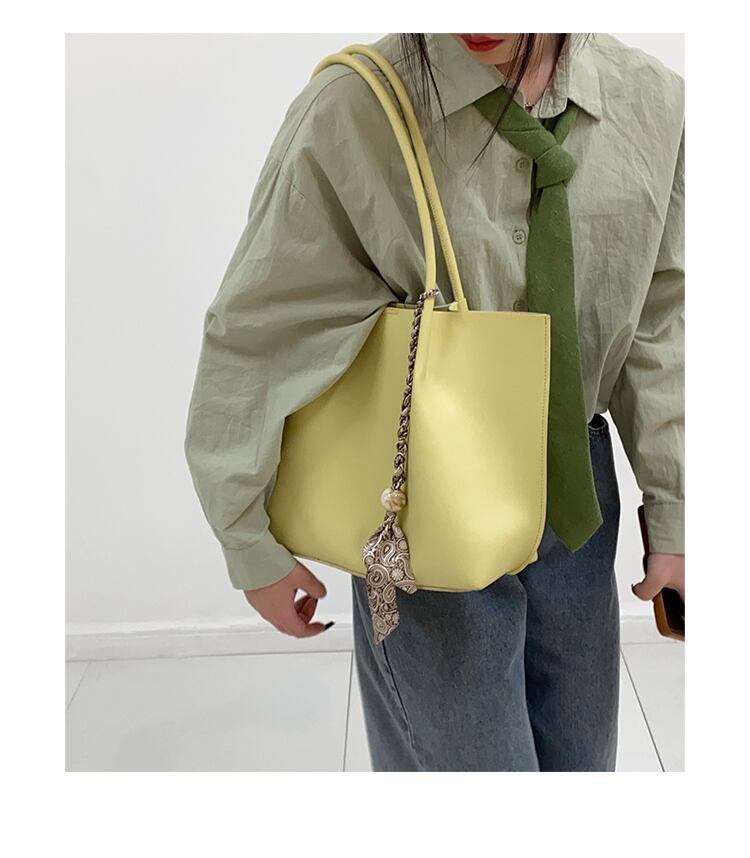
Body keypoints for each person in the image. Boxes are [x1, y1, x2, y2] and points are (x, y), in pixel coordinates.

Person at [184, 33, 685, 771]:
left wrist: (678, 509)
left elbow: (661, 321)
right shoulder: (359, 107)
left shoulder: (652, 104)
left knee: (583, 766)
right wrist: (247, 539)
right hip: (421, 504)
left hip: (578, 497)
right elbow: (261, 330)